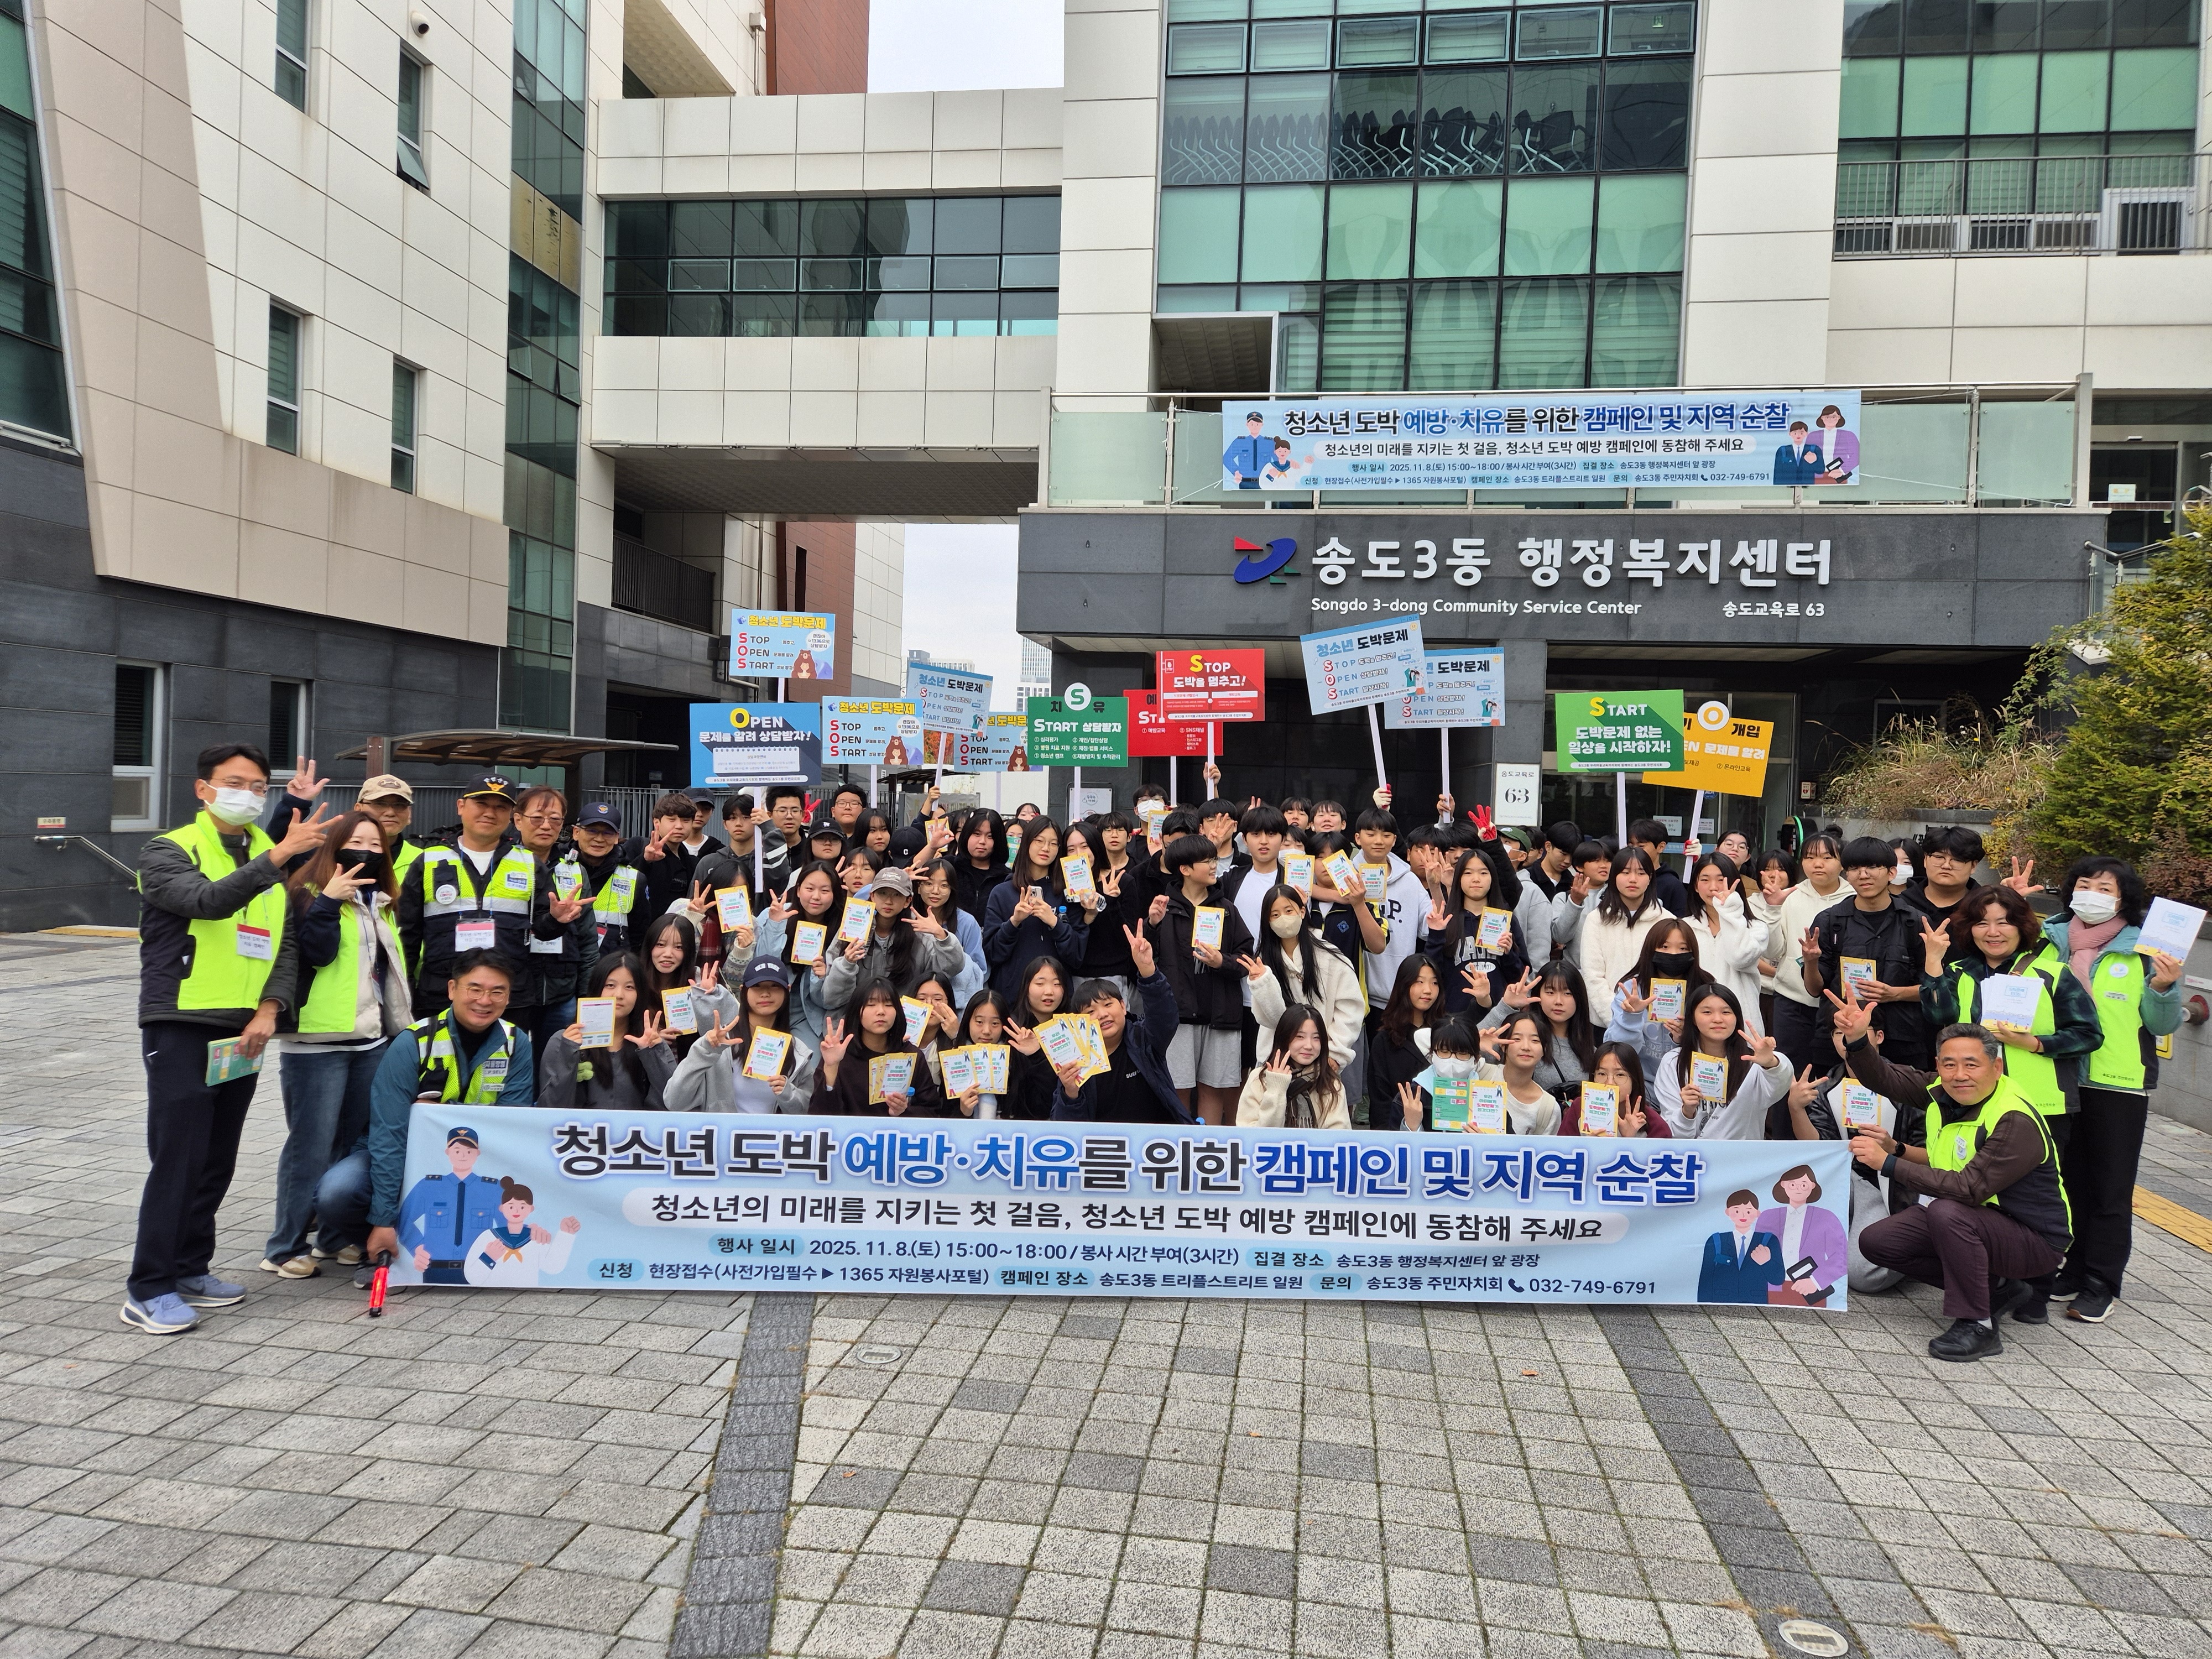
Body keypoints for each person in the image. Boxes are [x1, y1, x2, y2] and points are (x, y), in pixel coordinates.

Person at [125, 742, 336, 1333]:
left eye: (258, 785)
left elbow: (285, 942)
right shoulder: (168, 849)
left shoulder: (266, 853)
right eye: (234, 781)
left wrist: (271, 1009)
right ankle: (149, 1286)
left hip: (244, 1030)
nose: (247, 793)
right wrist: (278, 860)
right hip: (183, 1021)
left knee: (217, 1156)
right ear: (203, 788)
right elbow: (207, 902)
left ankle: (192, 1267)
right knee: (179, 1156)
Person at [1849, 1022, 2072, 1361]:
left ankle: (1978, 1325)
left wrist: (1887, 1164)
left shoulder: (2013, 1119)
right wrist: (1856, 1038)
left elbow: (1969, 1188)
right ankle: (1996, 1288)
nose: (1959, 1074)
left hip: (2034, 1239)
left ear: (1996, 1067)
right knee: (1878, 1242)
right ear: (1938, 1066)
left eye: (1972, 1064)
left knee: (1947, 1211)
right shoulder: (1941, 1091)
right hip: (1978, 1220)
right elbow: (1884, 1078)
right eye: (1949, 1064)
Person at [257, 810, 413, 1279]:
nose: (364, 851)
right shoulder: (305, 894)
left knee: (353, 1143)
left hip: (370, 1041)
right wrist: (327, 901)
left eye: (374, 845)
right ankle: (284, 1246)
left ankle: (334, 1238)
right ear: (333, 847)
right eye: (356, 842)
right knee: (311, 1145)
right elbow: (317, 954)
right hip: (317, 1043)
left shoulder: (381, 901)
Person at [2038, 857, 2187, 1322]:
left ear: (2124, 899)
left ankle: (2102, 1282)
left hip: (2117, 1084)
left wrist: (2165, 987)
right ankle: (2073, 1266)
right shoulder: (2048, 940)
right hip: (2057, 1077)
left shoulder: (2146, 951)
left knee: (2109, 1189)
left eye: (2106, 888)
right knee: (2067, 1181)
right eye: (2085, 885)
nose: (2093, 895)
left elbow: (2162, 1024)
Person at [338, 951, 539, 1286]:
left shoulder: (517, 1044)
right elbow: (389, 1135)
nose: (484, 1001)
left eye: (497, 992)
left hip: (477, 1163)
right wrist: (384, 1220)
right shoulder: (413, 1042)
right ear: (451, 989)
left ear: (509, 996)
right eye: (474, 989)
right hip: (401, 1153)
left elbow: (511, 1129)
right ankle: (376, 1245)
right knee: (339, 1191)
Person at [401, 774, 554, 1018]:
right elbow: (407, 936)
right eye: (481, 804)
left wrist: (557, 919)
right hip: (440, 996)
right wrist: (405, 991)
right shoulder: (429, 861)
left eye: (500, 807)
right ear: (461, 807)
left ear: (511, 815)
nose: (490, 813)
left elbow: (546, 932)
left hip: (508, 999)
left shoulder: (528, 863)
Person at [1802, 836, 1933, 1069]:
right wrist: (1811, 962)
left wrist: (1894, 993)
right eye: (1854, 868)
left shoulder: (1915, 922)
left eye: (1873, 867)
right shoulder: (1830, 921)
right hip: (1839, 1035)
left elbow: (1934, 990)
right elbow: (1814, 990)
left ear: (1891, 873)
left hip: (1901, 1038)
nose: (1863, 875)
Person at [1048, 928, 1197, 1123]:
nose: (1102, 1015)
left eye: (1108, 1004)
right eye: (1091, 1012)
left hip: (1157, 1145)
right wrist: (1070, 1093)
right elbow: (1065, 1131)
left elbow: (1165, 1017)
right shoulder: (1075, 1061)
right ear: (1079, 1022)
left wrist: (1148, 970)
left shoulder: (1143, 1039)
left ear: (1123, 1006)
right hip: (1104, 1148)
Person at [1153, 833, 1253, 1124]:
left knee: (1214, 1089)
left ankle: (1207, 1148)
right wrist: (1152, 925)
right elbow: (1143, 960)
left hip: (1221, 1013)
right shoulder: (1164, 907)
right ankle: (1183, 1147)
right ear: (1185, 869)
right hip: (1178, 1014)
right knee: (1179, 1086)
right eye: (1206, 861)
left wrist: (1223, 962)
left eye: (1214, 860)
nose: (1213, 866)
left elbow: (1246, 958)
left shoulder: (1226, 908)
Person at [509, 785, 596, 1088]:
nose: (546, 826)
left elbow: (588, 941)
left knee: (557, 1073)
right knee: (510, 1072)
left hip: (562, 992)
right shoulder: (502, 865)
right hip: (512, 992)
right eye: (537, 818)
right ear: (517, 820)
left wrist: (585, 996)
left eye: (555, 820)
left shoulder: (574, 871)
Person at [666, 958, 820, 1113]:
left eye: (775, 986)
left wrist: (788, 1094)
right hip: (725, 1136)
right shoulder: (720, 1044)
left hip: (776, 1137)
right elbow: (674, 1102)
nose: (765, 993)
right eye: (756, 986)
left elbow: (808, 1112)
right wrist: (705, 1051)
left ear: (788, 989)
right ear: (743, 990)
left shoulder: (798, 1051)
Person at [1642, 985, 1792, 1140]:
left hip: (1742, 1160)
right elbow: (1673, 1134)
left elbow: (1780, 1084)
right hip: (1695, 1160)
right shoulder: (1674, 1062)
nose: (1718, 1019)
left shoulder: (1753, 1063)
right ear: (1692, 1017)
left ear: (1737, 1017)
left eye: (1726, 1012)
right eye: (1707, 1012)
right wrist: (1686, 1112)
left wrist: (1771, 1063)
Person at [1241, 886, 1365, 1073]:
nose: (1283, 918)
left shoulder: (1330, 956)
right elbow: (1272, 1019)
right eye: (1275, 915)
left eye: (1288, 910)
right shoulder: (1263, 962)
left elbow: (1350, 1009)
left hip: (1320, 1060)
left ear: (1302, 911)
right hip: (1277, 1063)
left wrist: (1335, 1054)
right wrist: (1263, 983)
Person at [539, 953, 676, 1111]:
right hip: (582, 1133)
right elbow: (548, 1109)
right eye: (610, 985)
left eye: (630, 987)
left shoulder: (652, 1043)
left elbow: (673, 1104)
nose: (619, 995)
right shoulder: (563, 1041)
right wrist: (568, 1055)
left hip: (634, 1135)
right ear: (597, 988)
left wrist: (652, 1054)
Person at [822, 867, 967, 1013]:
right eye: (883, 893)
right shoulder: (852, 929)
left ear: (908, 901)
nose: (889, 901)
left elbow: (952, 969)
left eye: (897, 895)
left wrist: (942, 936)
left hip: (901, 1023)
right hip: (853, 1018)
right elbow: (831, 999)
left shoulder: (920, 937)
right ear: (872, 896)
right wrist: (847, 964)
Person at [982, 816, 1094, 997]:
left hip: (1056, 997)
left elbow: (1076, 956)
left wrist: (1055, 923)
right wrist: (1014, 922)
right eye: (1039, 841)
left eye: (1053, 844)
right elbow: (992, 954)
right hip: (1013, 996)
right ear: (1026, 843)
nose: (1046, 849)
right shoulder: (1002, 893)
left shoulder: (1068, 893)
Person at [811, 978, 949, 1116]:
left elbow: (931, 1111)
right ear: (857, 1011)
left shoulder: (910, 1056)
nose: (881, 1011)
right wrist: (831, 1067)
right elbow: (819, 1116)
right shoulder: (839, 1055)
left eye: (888, 1004)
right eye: (871, 1004)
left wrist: (903, 1112)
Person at [1422, 844, 1528, 1016]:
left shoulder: (1506, 920)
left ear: (1493, 878)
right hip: (1454, 1018)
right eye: (1468, 873)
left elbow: (1520, 977)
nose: (1476, 879)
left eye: (1483, 873)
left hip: (1500, 1015)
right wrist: (1436, 935)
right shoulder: (1447, 920)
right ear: (1458, 878)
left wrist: (1509, 953)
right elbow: (1432, 974)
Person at [1601, 917, 1719, 1072]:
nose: (1674, 954)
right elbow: (1616, 1052)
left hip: (1686, 1084)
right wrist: (1631, 1017)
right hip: (1641, 1085)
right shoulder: (1632, 990)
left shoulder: (1705, 990)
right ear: (1651, 949)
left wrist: (1687, 1037)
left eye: (1683, 949)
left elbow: (1717, 1047)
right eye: (1664, 947)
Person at [1772, 832, 1846, 1070]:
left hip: (1839, 1005)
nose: (1817, 864)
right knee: (1789, 1071)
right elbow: (1775, 951)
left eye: (1827, 857)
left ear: (1842, 862)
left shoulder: (1854, 898)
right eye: (1810, 857)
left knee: (1833, 1072)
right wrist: (1772, 911)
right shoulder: (1789, 897)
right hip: (1792, 1001)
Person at [754, 862, 843, 1047]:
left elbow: (826, 1000)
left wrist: (821, 976)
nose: (816, 897)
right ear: (798, 890)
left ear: (835, 894)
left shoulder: (840, 929)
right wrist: (775, 925)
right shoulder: (775, 912)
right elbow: (762, 966)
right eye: (809, 889)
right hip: (768, 1002)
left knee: (809, 1062)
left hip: (808, 1012)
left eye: (825, 891)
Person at [1481, 959, 1598, 1099]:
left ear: (1579, 998)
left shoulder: (1591, 1051)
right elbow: (1473, 1052)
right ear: (1538, 994)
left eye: (1568, 993)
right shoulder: (1520, 1038)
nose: (1558, 1001)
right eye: (1550, 992)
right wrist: (1506, 1006)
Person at [1351, 808, 1430, 1008]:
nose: (1379, 841)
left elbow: (1428, 928)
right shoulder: (1348, 876)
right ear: (1358, 838)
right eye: (1371, 834)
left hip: (1400, 994)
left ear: (1394, 840)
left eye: (1386, 835)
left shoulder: (1410, 880)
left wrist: (1438, 887)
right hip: (1357, 994)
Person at [1683, 852, 1767, 1036]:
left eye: (1721, 880)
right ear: (1696, 887)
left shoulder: (1756, 928)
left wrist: (1730, 911)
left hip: (1743, 1026)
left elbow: (1739, 958)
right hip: (1697, 1025)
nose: (1713, 887)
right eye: (1704, 880)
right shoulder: (1685, 928)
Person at [1577, 847, 1667, 1016]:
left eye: (1641, 873)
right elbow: (1593, 976)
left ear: (1650, 878)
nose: (1633, 879)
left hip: (1654, 1023)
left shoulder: (1666, 921)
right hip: (1605, 1023)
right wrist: (1618, 1020)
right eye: (1625, 873)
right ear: (1614, 877)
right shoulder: (1596, 919)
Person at [1238, 1006, 1350, 1129]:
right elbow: (1255, 1137)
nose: (1309, 1046)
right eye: (1300, 1037)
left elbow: (1339, 1138)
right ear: (1285, 1038)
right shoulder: (1259, 1079)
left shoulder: (1331, 1084)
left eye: (1316, 1038)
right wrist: (1276, 1090)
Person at [1755, 1164, 1849, 1305]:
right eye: (1792, 1184)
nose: (1798, 1189)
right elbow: (1756, 1252)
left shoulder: (1827, 1218)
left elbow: (1841, 1256)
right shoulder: (1767, 1216)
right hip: (1771, 1285)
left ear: (1813, 1187)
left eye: (1804, 1185)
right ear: (1783, 1185)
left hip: (1811, 1290)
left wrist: (1816, 1281)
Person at [1366, 957, 1443, 1131]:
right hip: (1399, 1133)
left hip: (1444, 1133)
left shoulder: (1445, 1033)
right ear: (1404, 985)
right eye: (1419, 982)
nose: (1428, 990)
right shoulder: (1385, 1039)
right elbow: (1380, 1101)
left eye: (1435, 983)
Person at [461, 1176, 579, 1288]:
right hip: (492, 1293)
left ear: (531, 1209)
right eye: (511, 1207)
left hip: (528, 1294)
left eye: (522, 1207)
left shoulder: (535, 1236)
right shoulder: (489, 1237)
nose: (516, 1211)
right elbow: (472, 1277)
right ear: (502, 1208)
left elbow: (553, 1267)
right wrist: (489, 1257)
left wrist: (565, 1235)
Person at [566, 802, 644, 959]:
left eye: (608, 833)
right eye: (592, 831)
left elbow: (639, 937)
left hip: (611, 972)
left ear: (616, 837)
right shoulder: (556, 869)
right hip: (562, 969)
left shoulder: (634, 879)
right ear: (576, 832)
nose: (599, 839)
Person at [1470, 1010, 1564, 1134]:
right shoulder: (1479, 1073)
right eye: (1517, 1039)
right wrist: (1474, 1046)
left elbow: (1542, 1152)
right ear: (1503, 1045)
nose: (1526, 1047)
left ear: (1544, 1050)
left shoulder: (1548, 1108)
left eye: (1535, 1041)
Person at [913, 858, 988, 1006]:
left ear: (952, 890)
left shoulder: (967, 922)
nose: (936, 891)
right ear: (918, 887)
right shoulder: (907, 918)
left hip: (955, 1003)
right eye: (929, 884)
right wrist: (904, 878)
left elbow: (978, 971)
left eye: (944, 886)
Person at [1558, 1041, 1666, 1138]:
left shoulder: (1654, 1125)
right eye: (1601, 1074)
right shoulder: (1579, 1107)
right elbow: (1562, 1152)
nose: (1610, 1083)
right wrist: (1588, 1146)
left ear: (1635, 1080)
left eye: (1620, 1075)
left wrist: (1629, 1139)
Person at [1698, 1191, 1785, 1304]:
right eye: (1737, 1211)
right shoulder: (1716, 1240)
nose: (1743, 1216)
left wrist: (1766, 1263)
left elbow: (1778, 1280)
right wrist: (1703, 1304)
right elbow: (1706, 1277)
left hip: (1755, 1301)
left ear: (1758, 1213)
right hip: (1721, 1299)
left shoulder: (1768, 1240)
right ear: (1728, 1212)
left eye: (1749, 1211)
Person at [1548, 839, 1615, 972]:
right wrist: (1575, 902)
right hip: (1574, 973)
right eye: (1596, 861)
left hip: (1610, 974)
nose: (1604, 866)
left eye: (1608, 861)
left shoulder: (1619, 896)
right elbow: (1560, 937)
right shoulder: (1564, 897)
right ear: (1579, 867)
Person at [356, 774, 425, 891]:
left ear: (409, 814)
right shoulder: (333, 855)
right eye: (380, 804)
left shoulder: (424, 860)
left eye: (400, 805)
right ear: (358, 809)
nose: (390, 812)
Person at [1908, 825, 1984, 926]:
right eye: (1939, 857)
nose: (1946, 866)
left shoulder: (1985, 906)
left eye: (1957, 860)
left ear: (1973, 866)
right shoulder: (1901, 905)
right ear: (1925, 860)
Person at [952, 808, 1011, 923]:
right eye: (977, 834)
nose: (982, 841)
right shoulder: (950, 868)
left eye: (990, 836)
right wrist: (932, 847)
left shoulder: (1007, 879)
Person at [1626, 820, 1693, 917]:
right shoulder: (1622, 879)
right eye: (1631, 846)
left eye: (1641, 846)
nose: (1635, 851)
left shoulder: (1672, 885)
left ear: (1661, 847)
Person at [1813, 403, 1859, 483]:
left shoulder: (1848, 435)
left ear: (1839, 418)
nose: (1830, 420)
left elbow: (1857, 455)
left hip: (1839, 476)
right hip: (1817, 475)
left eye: (1834, 417)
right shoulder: (1813, 436)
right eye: (1827, 417)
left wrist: (1842, 470)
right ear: (1822, 418)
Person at [1224, 409, 1270, 489]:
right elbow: (1227, 458)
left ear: (1262, 425)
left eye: (1258, 424)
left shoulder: (1269, 443)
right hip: (1245, 483)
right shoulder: (1240, 442)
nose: (1255, 426)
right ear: (1247, 425)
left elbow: (1279, 460)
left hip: (1266, 482)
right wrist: (1236, 471)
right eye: (1252, 424)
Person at [1771, 420, 1824, 485]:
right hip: (1788, 488)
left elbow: (1821, 471)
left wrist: (1813, 462)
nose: (1798, 435)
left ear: (1807, 434)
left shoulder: (1814, 449)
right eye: (1795, 433)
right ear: (1790, 434)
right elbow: (1777, 474)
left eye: (1802, 433)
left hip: (1807, 487)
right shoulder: (1783, 450)